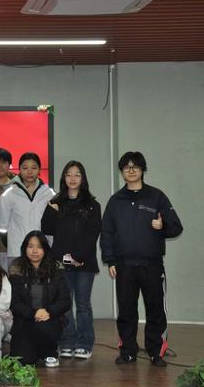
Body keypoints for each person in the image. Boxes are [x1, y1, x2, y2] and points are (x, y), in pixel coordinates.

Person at [100, 151, 183, 367]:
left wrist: (162, 226)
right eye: (126, 167)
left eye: (135, 166)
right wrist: (110, 260)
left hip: (152, 265)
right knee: (126, 312)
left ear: (142, 169)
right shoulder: (115, 201)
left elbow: (176, 227)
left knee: (156, 310)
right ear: (122, 171)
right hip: (124, 266)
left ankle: (156, 352)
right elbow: (107, 232)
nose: (131, 170)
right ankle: (128, 352)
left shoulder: (157, 197)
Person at [41, 160, 101, 360]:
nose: (72, 178)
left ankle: (84, 343)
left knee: (83, 304)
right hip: (60, 262)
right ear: (63, 178)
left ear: (83, 178)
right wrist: (52, 211)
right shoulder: (56, 202)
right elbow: (46, 228)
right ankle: (66, 341)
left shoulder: (93, 205)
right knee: (64, 304)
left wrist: (78, 257)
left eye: (77, 174)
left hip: (84, 263)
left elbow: (92, 234)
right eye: (68, 174)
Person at [8, 231, 71, 368]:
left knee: (41, 328)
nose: (35, 251)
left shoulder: (56, 268)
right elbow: (14, 302)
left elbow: (65, 300)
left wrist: (49, 312)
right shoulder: (16, 268)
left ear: (45, 249)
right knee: (22, 360)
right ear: (25, 248)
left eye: (39, 247)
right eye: (30, 246)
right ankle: (36, 351)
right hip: (24, 320)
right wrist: (33, 313)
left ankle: (50, 353)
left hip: (49, 320)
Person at [0, 152, 55, 266]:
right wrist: (13, 245)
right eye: (25, 168)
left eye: (34, 168)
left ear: (39, 170)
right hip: (17, 253)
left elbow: (53, 226)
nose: (29, 172)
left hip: (42, 253)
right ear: (19, 169)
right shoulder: (9, 194)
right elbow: (2, 228)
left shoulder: (49, 194)